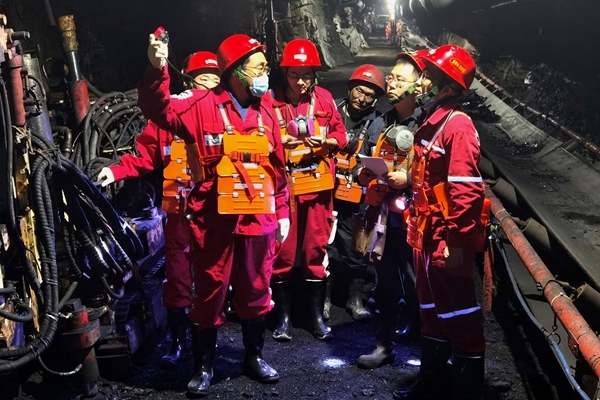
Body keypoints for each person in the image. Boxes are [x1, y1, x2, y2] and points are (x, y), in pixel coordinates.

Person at [139, 33, 290, 397]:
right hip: (214, 219)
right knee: (209, 290)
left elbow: (277, 165)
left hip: (257, 218)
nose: (266, 74)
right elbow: (158, 109)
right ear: (236, 71)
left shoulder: (267, 109)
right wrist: (157, 69)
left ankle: (254, 357)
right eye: (259, 68)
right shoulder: (201, 105)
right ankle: (204, 366)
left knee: (257, 287)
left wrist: (282, 210)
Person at [97, 51, 220, 369]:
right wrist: (116, 171)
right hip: (180, 213)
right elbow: (145, 154)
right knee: (177, 278)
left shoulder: (225, 116)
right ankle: (178, 343)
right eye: (204, 79)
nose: (209, 85)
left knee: (213, 277)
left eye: (215, 79)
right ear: (188, 82)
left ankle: (209, 345)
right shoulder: (169, 119)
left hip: (215, 214)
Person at [394, 44, 485, 400]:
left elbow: (466, 190)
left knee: (459, 313)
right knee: (431, 310)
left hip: (447, 239)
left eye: (428, 76)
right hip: (426, 233)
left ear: (447, 86)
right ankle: (431, 385)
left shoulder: (457, 126)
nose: (420, 82)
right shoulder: (433, 122)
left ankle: (466, 392)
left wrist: (456, 242)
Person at [269, 38, 347, 342]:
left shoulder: (324, 99)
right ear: (285, 73)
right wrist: (278, 142)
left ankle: (315, 317)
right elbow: (258, 137)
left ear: (314, 75)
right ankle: (283, 318)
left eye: (306, 75)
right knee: (283, 250)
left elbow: (340, 135)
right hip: (284, 188)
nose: (300, 82)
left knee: (315, 249)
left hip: (317, 186)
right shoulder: (271, 101)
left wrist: (327, 142)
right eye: (294, 75)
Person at [353, 51, 426, 369]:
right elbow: (359, 162)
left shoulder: (427, 124)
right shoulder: (380, 122)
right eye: (391, 77)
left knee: (419, 280)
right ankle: (383, 346)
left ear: (418, 86)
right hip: (384, 215)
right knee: (385, 281)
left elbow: (438, 171)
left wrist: (409, 179)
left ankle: (427, 344)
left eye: (400, 79)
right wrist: (362, 173)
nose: (391, 83)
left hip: (416, 218)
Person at [329, 64, 385, 322]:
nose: (362, 99)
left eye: (369, 95)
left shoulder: (378, 123)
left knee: (358, 248)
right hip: (327, 189)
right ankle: (324, 298)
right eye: (359, 91)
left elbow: (380, 159)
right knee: (325, 246)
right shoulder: (331, 109)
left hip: (358, 195)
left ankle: (355, 298)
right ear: (350, 88)